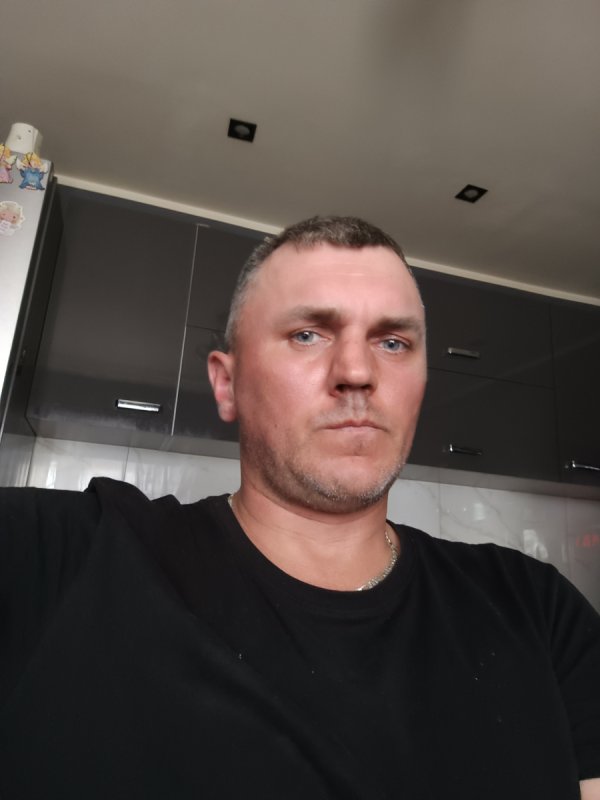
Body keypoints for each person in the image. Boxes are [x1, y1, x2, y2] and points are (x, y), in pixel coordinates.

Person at [0, 216, 599, 799]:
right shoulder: (66, 559)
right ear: (227, 384)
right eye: (308, 334)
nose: (357, 372)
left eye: (393, 342)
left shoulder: (536, 608)